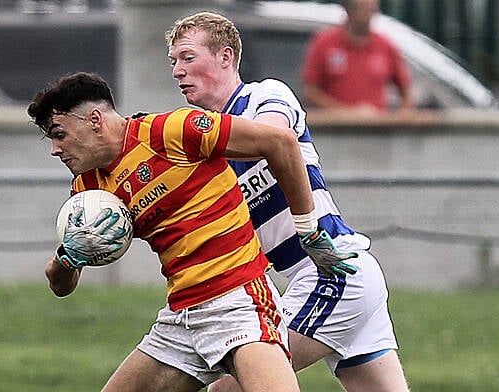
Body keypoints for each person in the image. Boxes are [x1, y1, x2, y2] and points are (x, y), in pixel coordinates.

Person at [27, 71, 357, 392]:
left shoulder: (171, 130)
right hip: (181, 317)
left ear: (95, 120)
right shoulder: (90, 190)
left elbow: (280, 141)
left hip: (239, 303)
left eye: (59, 134)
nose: (55, 149)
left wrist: (307, 229)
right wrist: (67, 259)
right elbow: (60, 286)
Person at [166, 12, 410, 392]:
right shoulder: (203, 141)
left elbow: (275, 137)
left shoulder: (265, 95)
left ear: (226, 57)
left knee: (235, 387)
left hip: (332, 272)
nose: (178, 71)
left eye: (187, 57)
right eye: (173, 62)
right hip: (331, 277)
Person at [301, 0, 413, 114]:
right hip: (334, 128)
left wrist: (401, 119)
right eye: (362, 9)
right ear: (348, 10)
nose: (368, 15)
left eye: (372, 9)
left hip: (377, 127)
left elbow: (406, 91)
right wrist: (347, 112)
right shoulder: (324, 43)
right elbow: (310, 93)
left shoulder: (385, 45)